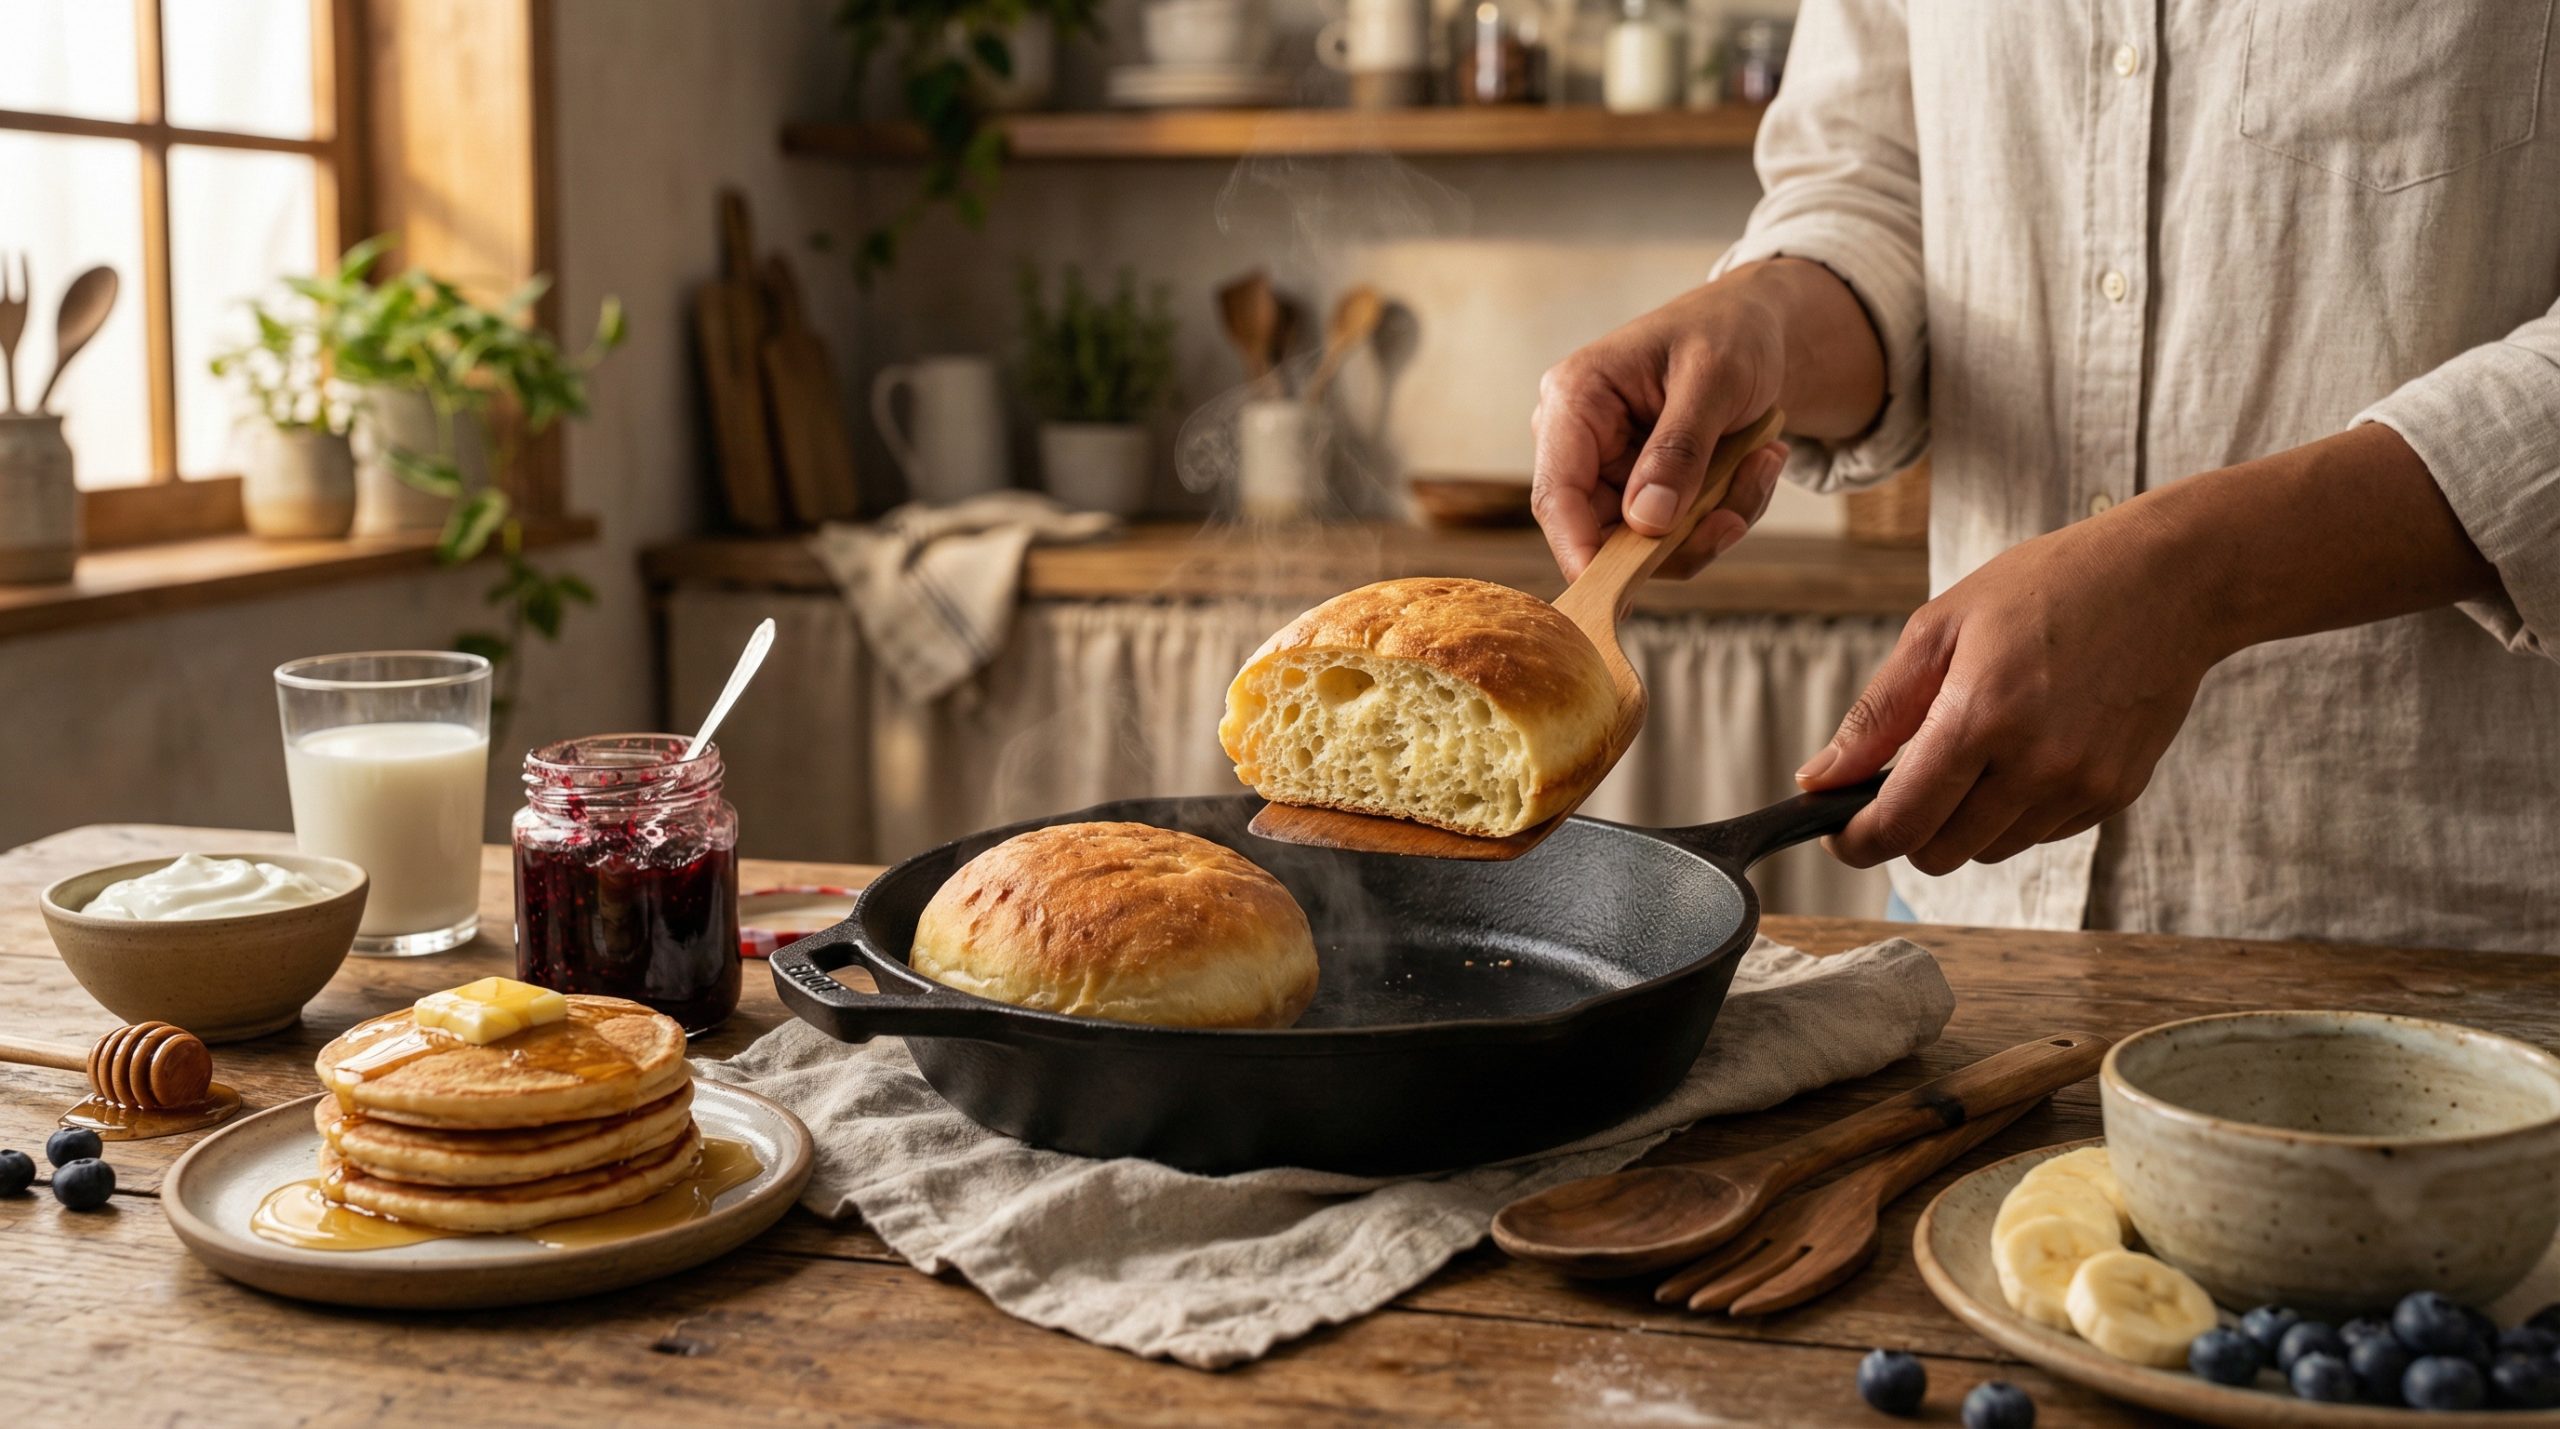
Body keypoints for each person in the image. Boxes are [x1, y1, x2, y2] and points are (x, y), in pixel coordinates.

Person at [1529, 1, 2560, 951]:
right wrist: (1760, 321)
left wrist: (2192, 577)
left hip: (2434, 926)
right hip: (1975, 922)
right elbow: (1874, 189)